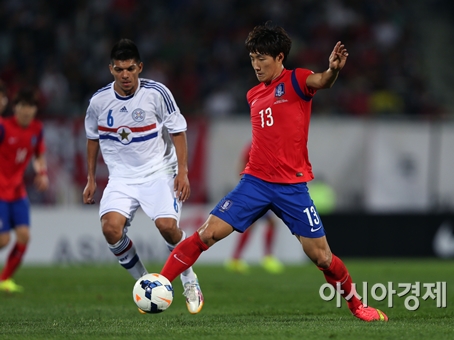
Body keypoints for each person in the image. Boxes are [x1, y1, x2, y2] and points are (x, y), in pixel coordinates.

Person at [159, 23, 388, 322]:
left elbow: (322, 81)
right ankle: (160, 283)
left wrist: (333, 70)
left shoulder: (297, 80)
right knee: (207, 234)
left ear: (280, 57)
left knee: (322, 257)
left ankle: (357, 305)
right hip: (254, 182)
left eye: (262, 58)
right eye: (253, 58)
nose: (256, 65)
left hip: (292, 187)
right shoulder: (253, 94)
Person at [82, 39, 203, 314]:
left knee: (167, 227)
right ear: (111, 69)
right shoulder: (99, 101)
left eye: (130, 68)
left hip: (158, 171)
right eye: (119, 69)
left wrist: (182, 172)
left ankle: (189, 279)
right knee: (110, 229)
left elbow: (178, 131)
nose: (125, 75)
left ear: (140, 68)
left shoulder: (157, 93)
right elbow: (92, 138)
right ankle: (146, 285)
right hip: (121, 178)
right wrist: (91, 178)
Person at [0, 88, 49, 292]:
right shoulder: (3, 127)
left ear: (35, 109)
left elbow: (38, 155)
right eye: (23, 106)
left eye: (30, 107)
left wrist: (42, 173)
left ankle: (4, 280)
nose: (26, 111)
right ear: (15, 108)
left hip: (18, 192)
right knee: (3, 240)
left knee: (24, 236)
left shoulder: (37, 129)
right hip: (0, 191)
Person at [225, 142, 284, 274]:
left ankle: (236, 258)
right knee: (263, 223)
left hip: (263, 190)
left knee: (257, 223)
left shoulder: (263, 146)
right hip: (256, 190)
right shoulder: (256, 146)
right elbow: (241, 164)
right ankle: (265, 258)